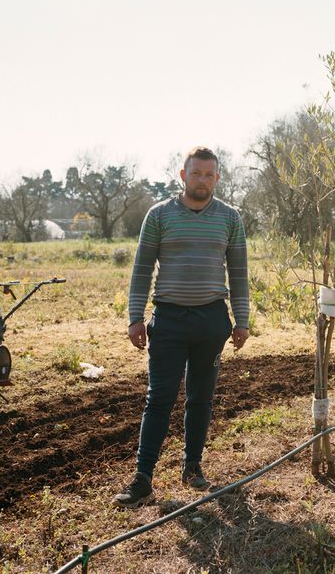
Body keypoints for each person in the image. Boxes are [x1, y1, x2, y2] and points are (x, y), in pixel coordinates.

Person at [113, 146, 250, 508]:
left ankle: (192, 467)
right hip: (169, 320)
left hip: (211, 321)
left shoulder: (230, 218)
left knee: (200, 398)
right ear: (182, 175)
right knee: (158, 399)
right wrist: (134, 316)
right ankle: (143, 478)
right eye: (196, 173)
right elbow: (142, 269)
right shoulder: (159, 215)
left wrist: (242, 320)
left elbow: (238, 273)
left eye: (209, 174)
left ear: (217, 178)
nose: (202, 180)